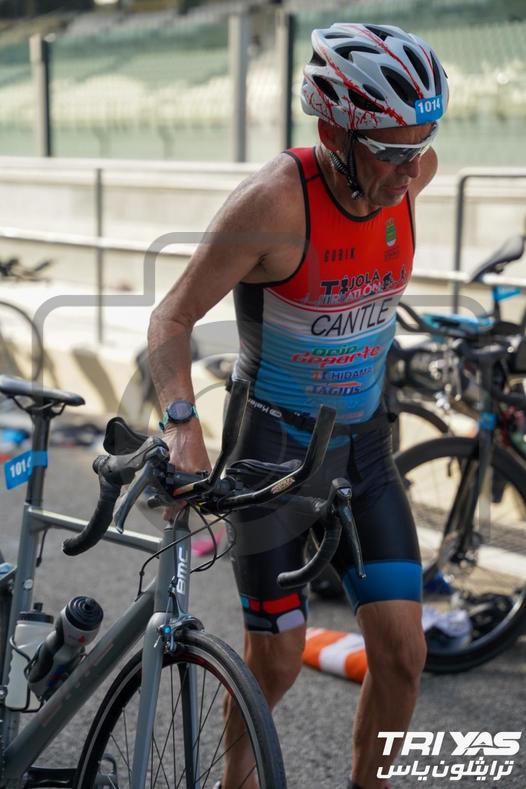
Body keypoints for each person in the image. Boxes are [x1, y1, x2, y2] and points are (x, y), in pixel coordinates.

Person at [148, 22, 449, 789]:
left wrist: (402, 157)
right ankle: (238, 781)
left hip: (363, 449)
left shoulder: (414, 171)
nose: (409, 168)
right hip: (271, 458)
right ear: (333, 133)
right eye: (389, 149)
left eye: (422, 145)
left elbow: (405, 170)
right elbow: (170, 319)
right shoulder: (274, 205)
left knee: (404, 655)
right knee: (277, 660)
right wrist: (182, 427)